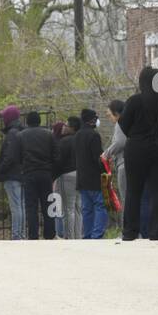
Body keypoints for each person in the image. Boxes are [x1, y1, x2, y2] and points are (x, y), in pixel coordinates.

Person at [119, 67, 158, 241]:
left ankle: (130, 232)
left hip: (136, 148)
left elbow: (123, 124)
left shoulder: (134, 101)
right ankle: (157, 232)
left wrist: (136, 135)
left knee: (133, 191)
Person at [17, 111, 59, 240]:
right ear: (39, 121)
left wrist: (23, 167)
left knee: (31, 205)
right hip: (46, 173)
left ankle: (33, 235)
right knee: (48, 204)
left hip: (29, 173)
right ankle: (49, 233)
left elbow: (17, 156)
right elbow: (56, 155)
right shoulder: (49, 135)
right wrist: (52, 172)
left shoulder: (21, 136)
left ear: (27, 122)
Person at [74, 108, 109, 239]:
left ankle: (87, 235)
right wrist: (105, 172)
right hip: (95, 178)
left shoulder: (77, 135)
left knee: (86, 208)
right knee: (100, 205)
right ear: (92, 120)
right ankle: (97, 234)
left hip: (82, 178)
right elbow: (98, 158)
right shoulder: (93, 135)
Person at [0, 105, 26, 240]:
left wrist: (1, 169)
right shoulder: (22, 131)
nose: (3, 119)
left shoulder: (12, 133)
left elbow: (10, 156)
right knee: (21, 206)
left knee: (16, 206)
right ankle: (21, 234)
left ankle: (16, 235)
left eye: (4, 117)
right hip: (22, 173)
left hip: (12, 175)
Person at [55, 117, 81, 238]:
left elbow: (59, 162)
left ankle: (69, 236)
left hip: (67, 175)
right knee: (77, 208)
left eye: (66, 125)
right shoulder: (80, 139)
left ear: (72, 128)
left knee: (68, 208)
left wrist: (53, 175)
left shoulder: (64, 141)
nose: (63, 127)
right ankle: (78, 235)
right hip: (80, 174)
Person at [101, 100, 127, 203]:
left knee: (126, 198)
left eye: (109, 115)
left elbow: (120, 142)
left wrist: (106, 153)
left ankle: (127, 219)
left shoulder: (120, 123)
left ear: (116, 113)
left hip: (123, 164)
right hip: (128, 163)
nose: (109, 118)